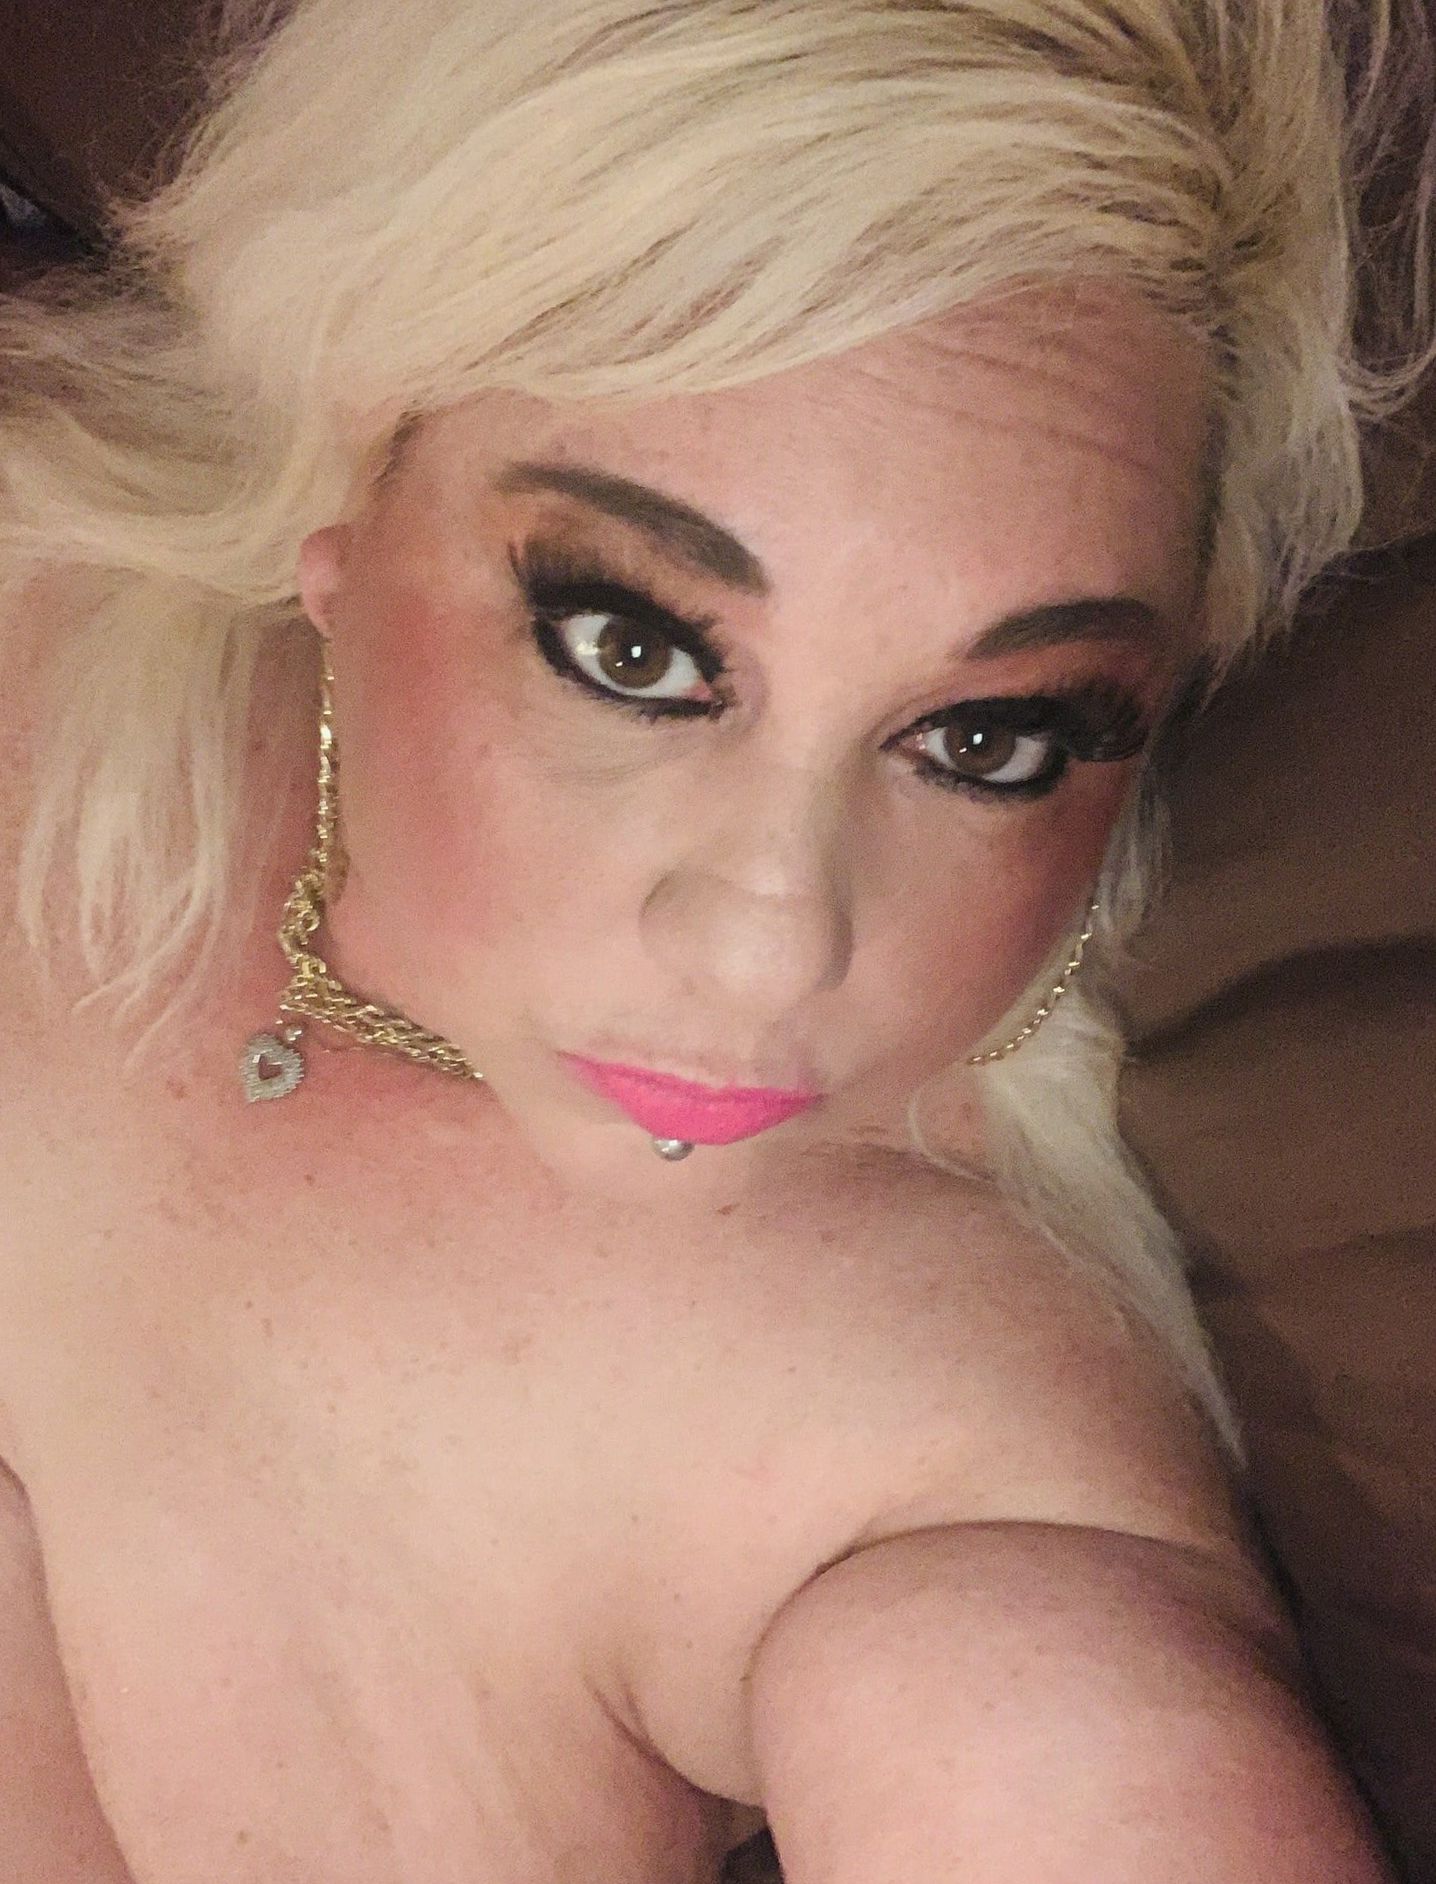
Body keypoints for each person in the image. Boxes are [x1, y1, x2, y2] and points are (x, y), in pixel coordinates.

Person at [0, 0, 1431, 1878]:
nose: (774, 951)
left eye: (988, 741)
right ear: (343, 503)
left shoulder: (929, 1502)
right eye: (637, 650)